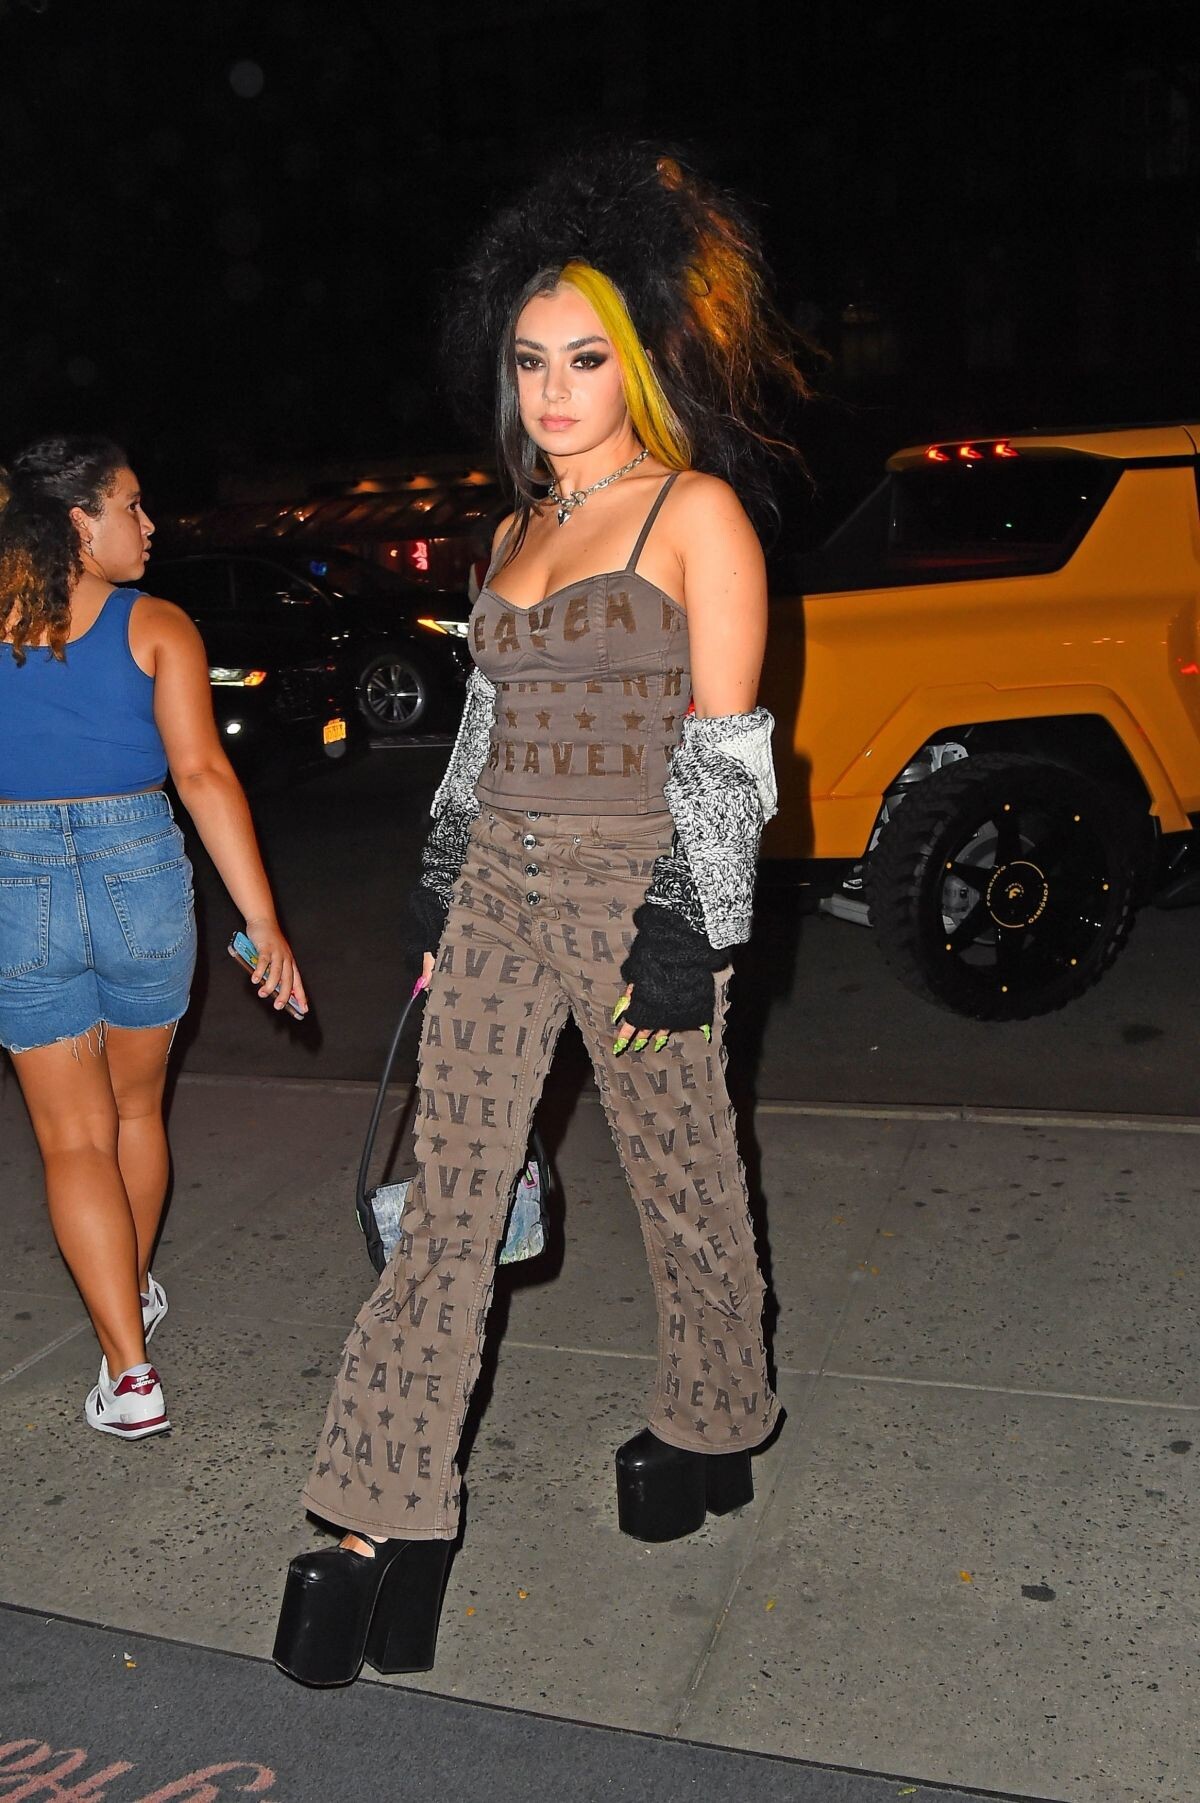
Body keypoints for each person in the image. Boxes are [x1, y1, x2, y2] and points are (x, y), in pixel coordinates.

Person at [274, 145, 809, 1688]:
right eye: (530, 361)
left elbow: (729, 745)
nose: (556, 390)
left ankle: (716, 1412)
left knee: (684, 1177)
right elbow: (482, 736)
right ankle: (379, 1515)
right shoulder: (511, 535)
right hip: (503, 890)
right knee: (447, 1201)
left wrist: (691, 923)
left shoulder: (694, 514)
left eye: (585, 358)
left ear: (641, 362)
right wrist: (442, 877)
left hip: (640, 895)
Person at [0, 436, 306, 1441]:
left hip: (15, 879)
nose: (149, 523)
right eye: (130, 505)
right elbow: (204, 777)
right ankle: (127, 1294)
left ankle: (129, 1370)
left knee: (71, 1139)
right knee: (134, 1111)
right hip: (139, 869)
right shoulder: (156, 625)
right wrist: (263, 923)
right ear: (78, 522)